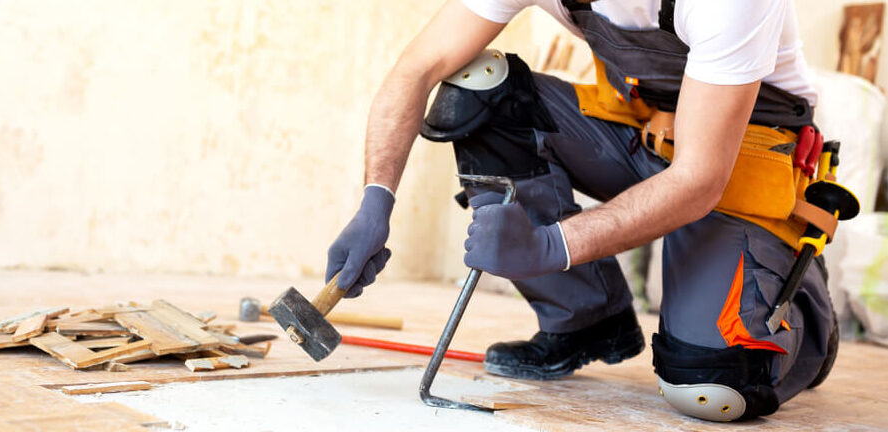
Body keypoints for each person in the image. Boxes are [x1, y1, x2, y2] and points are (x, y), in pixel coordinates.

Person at [324, 0, 840, 422]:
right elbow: (417, 69)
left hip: (738, 161)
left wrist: (551, 245)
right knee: (473, 88)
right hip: (640, 132)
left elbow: (699, 179)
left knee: (713, 389)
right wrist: (377, 199)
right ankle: (585, 319)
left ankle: (803, 314)